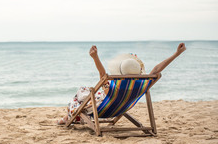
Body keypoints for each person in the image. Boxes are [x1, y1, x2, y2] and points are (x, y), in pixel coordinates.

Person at [57, 43, 186, 125]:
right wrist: (176, 54)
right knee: (87, 95)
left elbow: (102, 75)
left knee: (80, 95)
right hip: (121, 108)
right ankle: (68, 117)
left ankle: (68, 118)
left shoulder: (113, 87)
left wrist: (95, 57)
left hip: (101, 111)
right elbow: (157, 70)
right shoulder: (143, 85)